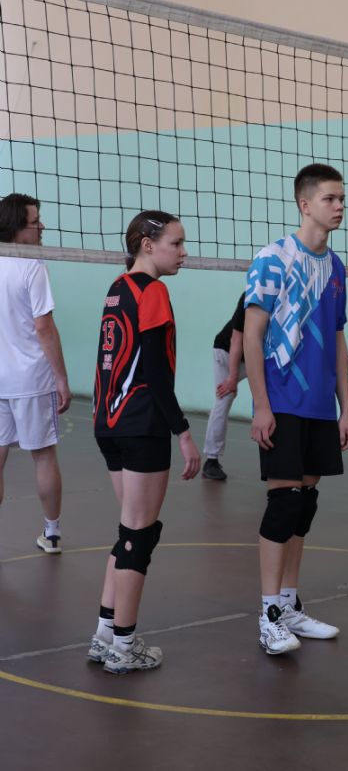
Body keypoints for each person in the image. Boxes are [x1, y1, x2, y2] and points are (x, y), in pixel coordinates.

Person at [244, 163, 348, 656]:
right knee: (284, 503)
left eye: (342, 199)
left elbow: (338, 338)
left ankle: (289, 604)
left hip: (319, 406)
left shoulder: (336, 268)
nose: (339, 207)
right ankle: (268, 613)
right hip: (283, 400)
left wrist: (345, 408)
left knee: (304, 505)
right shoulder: (273, 259)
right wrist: (260, 405)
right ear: (305, 204)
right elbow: (252, 335)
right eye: (330, 198)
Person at [88, 210, 201, 674]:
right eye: (176, 243)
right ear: (147, 245)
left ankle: (104, 636)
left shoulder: (117, 288)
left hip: (108, 422)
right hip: (141, 423)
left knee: (131, 530)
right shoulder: (152, 291)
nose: (184, 253)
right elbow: (155, 372)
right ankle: (124, 646)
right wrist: (184, 432)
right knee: (139, 534)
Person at [0, 193, 72, 553]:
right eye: (34, 221)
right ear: (17, 227)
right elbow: (44, 327)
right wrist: (61, 378)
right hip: (31, 380)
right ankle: (52, 532)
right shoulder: (32, 265)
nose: (41, 226)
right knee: (43, 456)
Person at [202, 293, 246, 481]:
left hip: (253, 355)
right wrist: (232, 378)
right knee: (224, 397)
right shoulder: (250, 297)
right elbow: (236, 340)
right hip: (226, 351)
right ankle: (211, 460)